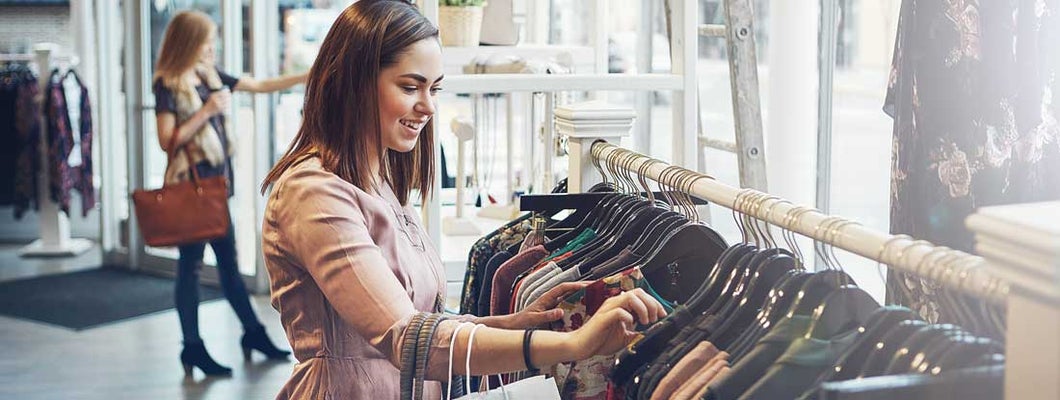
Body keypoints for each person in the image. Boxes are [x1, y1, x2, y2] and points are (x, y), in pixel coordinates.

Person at [259, 1, 668, 398]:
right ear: (354, 81)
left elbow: (422, 323)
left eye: (434, 89)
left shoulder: (379, 179)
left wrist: (512, 325)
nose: (428, 106)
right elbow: (407, 339)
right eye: (410, 86)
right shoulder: (314, 193)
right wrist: (573, 345)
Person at [152, 10, 307, 377]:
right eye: (207, 39)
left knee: (227, 265)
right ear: (189, 41)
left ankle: (250, 334)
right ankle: (195, 347)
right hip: (193, 189)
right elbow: (166, 141)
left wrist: (311, 74)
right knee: (191, 268)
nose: (211, 46)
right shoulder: (169, 83)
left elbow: (260, 86)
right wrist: (207, 111)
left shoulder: (208, 75)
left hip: (215, 188)